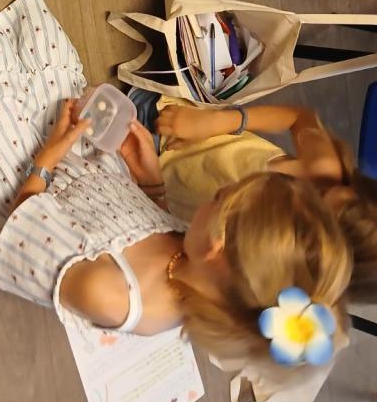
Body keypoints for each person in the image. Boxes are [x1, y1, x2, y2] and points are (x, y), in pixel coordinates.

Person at [0, 0, 350, 383]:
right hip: (89, 186)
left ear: (217, 246)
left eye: (217, 199)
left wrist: (50, 154)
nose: (211, 196)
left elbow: (19, 222)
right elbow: (156, 224)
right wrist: (151, 181)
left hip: (25, 201)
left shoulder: (110, 293)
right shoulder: (199, 262)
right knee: (48, 65)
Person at [154, 98, 377, 303]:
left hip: (153, 204)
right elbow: (300, 117)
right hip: (171, 127)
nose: (300, 194)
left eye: (304, 220)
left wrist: (154, 194)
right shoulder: (324, 171)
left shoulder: (257, 275)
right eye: (322, 192)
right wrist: (217, 121)